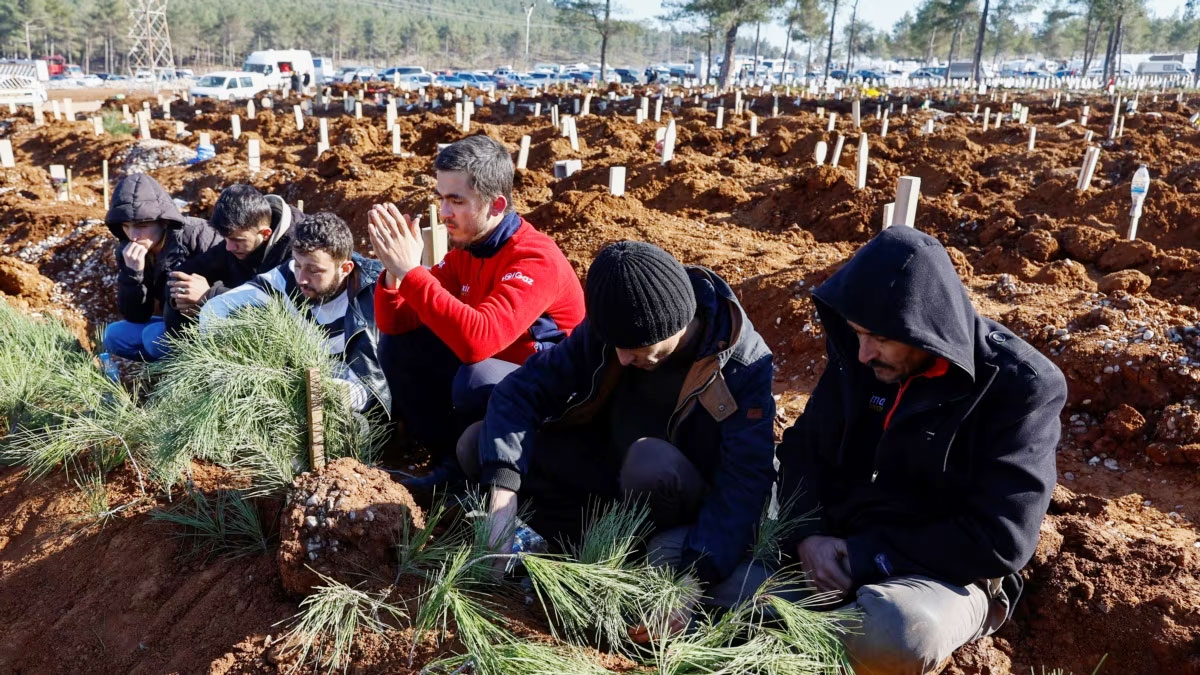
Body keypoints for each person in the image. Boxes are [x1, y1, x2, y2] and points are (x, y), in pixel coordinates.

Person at [773, 226, 1067, 674]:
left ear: (925, 329)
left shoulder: (1020, 387)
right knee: (726, 586)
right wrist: (808, 537)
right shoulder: (860, 357)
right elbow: (802, 451)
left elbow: (1002, 540)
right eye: (856, 333)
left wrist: (866, 555)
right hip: (832, 548)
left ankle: (800, 636)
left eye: (880, 338)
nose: (864, 352)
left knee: (896, 633)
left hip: (938, 572)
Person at [462, 241, 777, 623]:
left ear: (677, 322)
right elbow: (522, 389)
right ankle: (580, 551)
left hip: (682, 496)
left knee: (649, 462)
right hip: (609, 477)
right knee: (478, 443)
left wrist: (691, 583)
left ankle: (630, 559)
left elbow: (745, 482)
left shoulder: (741, 363)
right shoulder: (614, 326)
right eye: (618, 347)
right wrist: (502, 499)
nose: (624, 358)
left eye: (636, 348)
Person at [368, 135, 584, 488]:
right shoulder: (468, 252)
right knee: (401, 346)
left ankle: (480, 480)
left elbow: (477, 342)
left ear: (497, 205)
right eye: (441, 199)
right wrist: (394, 271)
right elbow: (394, 321)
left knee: (474, 376)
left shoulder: (534, 257)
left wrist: (413, 272)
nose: (444, 212)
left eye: (456, 200)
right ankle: (446, 462)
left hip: (554, 398)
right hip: (497, 375)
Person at [199, 212, 389, 413]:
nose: (302, 278)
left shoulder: (375, 292)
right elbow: (215, 309)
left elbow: (375, 382)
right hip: (299, 386)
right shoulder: (285, 278)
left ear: (345, 268)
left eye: (314, 270)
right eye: (298, 265)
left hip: (353, 397)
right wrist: (223, 357)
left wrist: (328, 393)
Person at [104, 173, 221, 361]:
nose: (133, 235)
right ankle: (167, 367)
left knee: (153, 338)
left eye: (141, 225)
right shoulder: (128, 251)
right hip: (171, 322)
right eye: (126, 226)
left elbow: (236, 280)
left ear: (163, 221)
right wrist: (134, 273)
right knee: (114, 336)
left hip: (211, 322)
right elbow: (136, 316)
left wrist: (206, 295)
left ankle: (190, 367)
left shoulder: (199, 234)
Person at [165, 184, 303, 334]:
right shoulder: (233, 242)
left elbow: (284, 307)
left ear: (265, 233)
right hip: (235, 331)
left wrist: (209, 296)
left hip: (288, 334)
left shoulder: (297, 250)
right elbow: (181, 274)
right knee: (152, 335)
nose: (229, 248)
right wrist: (182, 297)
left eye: (237, 240)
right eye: (226, 239)